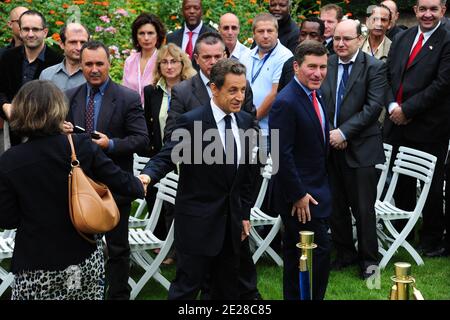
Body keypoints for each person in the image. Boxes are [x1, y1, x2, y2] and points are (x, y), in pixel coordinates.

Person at [0, 80, 145, 300]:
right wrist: (141, 182)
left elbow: (6, 218)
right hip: (81, 256)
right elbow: (123, 182)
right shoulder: (80, 146)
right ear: (58, 109)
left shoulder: (10, 160)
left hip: (35, 263)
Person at [139, 59, 257, 299]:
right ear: (214, 88)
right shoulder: (191, 122)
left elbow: (246, 178)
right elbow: (167, 156)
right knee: (186, 288)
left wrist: (244, 214)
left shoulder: (245, 122)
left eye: (243, 90)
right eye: (232, 90)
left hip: (232, 225)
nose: (239, 96)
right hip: (197, 224)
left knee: (226, 288)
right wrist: (147, 176)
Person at [64, 41, 149, 299]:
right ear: (81, 65)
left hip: (114, 186)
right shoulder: (70, 96)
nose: (94, 69)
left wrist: (110, 144)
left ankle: (118, 295)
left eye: (99, 63)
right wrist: (63, 132)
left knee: (117, 249)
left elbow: (141, 139)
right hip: (80, 185)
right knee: (76, 246)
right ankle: (78, 292)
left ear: (109, 64)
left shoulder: (127, 97)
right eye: (88, 64)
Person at [321, 19, 387, 279]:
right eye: (336, 38)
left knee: (363, 210)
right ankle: (345, 254)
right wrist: (330, 132)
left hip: (361, 150)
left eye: (346, 39)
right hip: (331, 147)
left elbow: (373, 108)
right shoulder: (327, 63)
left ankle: (369, 262)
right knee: (336, 207)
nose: (340, 44)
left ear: (360, 39)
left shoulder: (374, 67)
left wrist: (344, 132)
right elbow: (318, 98)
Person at [384, 0, 450, 257]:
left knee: (431, 185)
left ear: (443, 11)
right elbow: (388, 74)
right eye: (423, 9)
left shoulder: (446, 40)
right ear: (415, 10)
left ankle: (432, 238)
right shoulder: (403, 37)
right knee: (401, 181)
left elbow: (442, 84)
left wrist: (407, 110)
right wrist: (391, 106)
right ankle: (403, 231)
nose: (427, 14)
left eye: (433, 9)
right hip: (396, 122)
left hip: (429, 126)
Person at [269, 40, 331, 300]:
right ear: (296, 67)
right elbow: (280, 153)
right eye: (312, 67)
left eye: (323, 67)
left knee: (312, 260)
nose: (318, 73)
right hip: (301, 200)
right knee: (305, 261)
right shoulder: (286, 101)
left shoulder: (316, 94)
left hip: (317, 192)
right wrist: (298, 194)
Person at [164, 32, 256, 142]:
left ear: (225, 56)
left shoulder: (241, 85)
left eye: (217, 56)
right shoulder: (182, 92)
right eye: (207, 57)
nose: (213, 62)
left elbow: (252, 127)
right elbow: (172, 136)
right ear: (197, 59)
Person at [0, 10, 63, 147]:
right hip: (13, 128)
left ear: (45, 32)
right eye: (26, 29)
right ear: (20, 31)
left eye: (35, 29)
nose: (30, 34)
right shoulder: (7, 57)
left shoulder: (57, 61)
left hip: (44, 131)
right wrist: (5, 106)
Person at [240, 13, 293, 155]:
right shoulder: (246, 56)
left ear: (277, 33)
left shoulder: (285, 56)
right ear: (254, 34)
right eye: (260, 31)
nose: (265, 35)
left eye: (270, 31)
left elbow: (275, 94)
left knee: (266, 172)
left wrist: (251, 121)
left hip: (268, 130)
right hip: (245, 126)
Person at [123, 13, 166, 107]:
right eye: (141, 33)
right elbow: (124, 93)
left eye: (150, 33)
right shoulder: (130, 61)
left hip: (155, 116)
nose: (146, 38)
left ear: (158, 35)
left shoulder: (164, 60)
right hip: (131, 115)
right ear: (136, 36)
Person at [278, 17, 325, 92]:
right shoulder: (289, 64)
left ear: (322, 39)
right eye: (303, 34)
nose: (307, 39)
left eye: (313, 35)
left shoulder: (330, 64)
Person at [39, 22, 90, 91]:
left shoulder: (95, 75)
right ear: (61, 44)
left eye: (83, 42)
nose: (79, 47)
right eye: (73, 42)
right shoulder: (47, 75)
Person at [166, 0, 215, 70]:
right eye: (187, 8)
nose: (192, 11)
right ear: (182, 11)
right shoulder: (171, 38)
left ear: (202, 11)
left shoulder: (213, 36)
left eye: (196, 8)